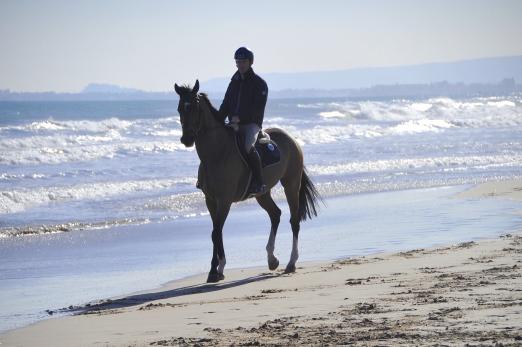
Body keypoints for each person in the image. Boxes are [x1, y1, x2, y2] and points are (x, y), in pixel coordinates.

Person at [218, 46, 268, 196]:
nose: (240, 64)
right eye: (238, 62)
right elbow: (226, 103)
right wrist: (217, 119)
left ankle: (259, 182)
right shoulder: (233, 82)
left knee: (247, 146)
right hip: (233, 123)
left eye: (243, 61)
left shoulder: (259, 83)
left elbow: (258, 109)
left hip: (251, 124)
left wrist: (241, 118)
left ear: (250, 62)